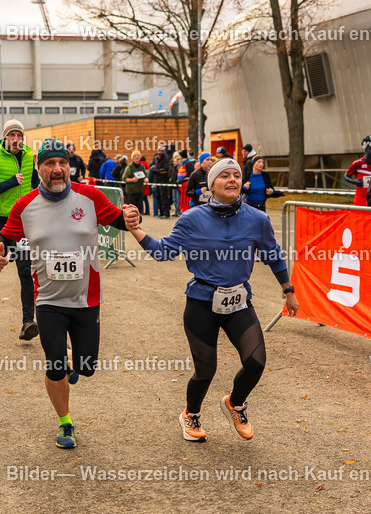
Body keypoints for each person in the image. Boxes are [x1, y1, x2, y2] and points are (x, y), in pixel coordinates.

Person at [121, 157, 298, 442]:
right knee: (206, 370)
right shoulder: (193, 218)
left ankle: (235, 404)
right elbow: (163, 251)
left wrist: (288, 291)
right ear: (211, 185)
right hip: (202, 302)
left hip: (239, 300)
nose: (232, 180)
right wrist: (135, 229)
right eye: (224, 176)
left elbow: (273, 255)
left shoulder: (258, 219)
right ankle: (191, 414)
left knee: (256, 362)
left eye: (236, 176)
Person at [0, 138, 141, 448]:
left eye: (62, 163)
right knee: (54, 364)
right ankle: (65, 421)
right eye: (50, 164)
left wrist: (131, 218)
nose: (58, 169)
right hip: (48, 301)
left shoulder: (89, 196)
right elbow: (3, 237)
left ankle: (75, 361)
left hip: (87, 299)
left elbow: (118, 221)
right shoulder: (25, 206)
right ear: (39, 168)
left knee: (86, 367)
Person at [0, 119, 40, 339]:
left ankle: (28, 322)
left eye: (19, 135)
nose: (16, 139)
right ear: (5, 137)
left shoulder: (29, 157)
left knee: (25, 272)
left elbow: (34, 187)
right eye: (12, 135)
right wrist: (11, 182)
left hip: (22, 223)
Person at [345, 136, 371, 206]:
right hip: (361, 201)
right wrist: (354, 182)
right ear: (365, 147)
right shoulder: (357, 163)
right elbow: (346, 175)